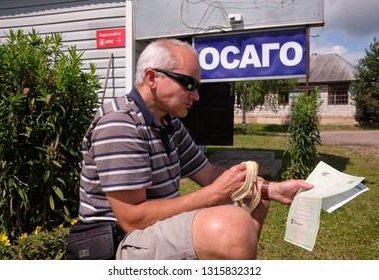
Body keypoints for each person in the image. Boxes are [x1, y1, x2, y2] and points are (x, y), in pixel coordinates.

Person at [77, 38, 313, 260]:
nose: (196, 96)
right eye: (189, 83)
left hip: (148, 230)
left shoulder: (169, 123)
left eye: (197, 86)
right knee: (232, 226)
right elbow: (132, 219)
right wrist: (211, 196)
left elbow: (208, 174)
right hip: (119, 241)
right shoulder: (119, 124)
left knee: (257, 195)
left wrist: (271, 189)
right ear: (152, 78)